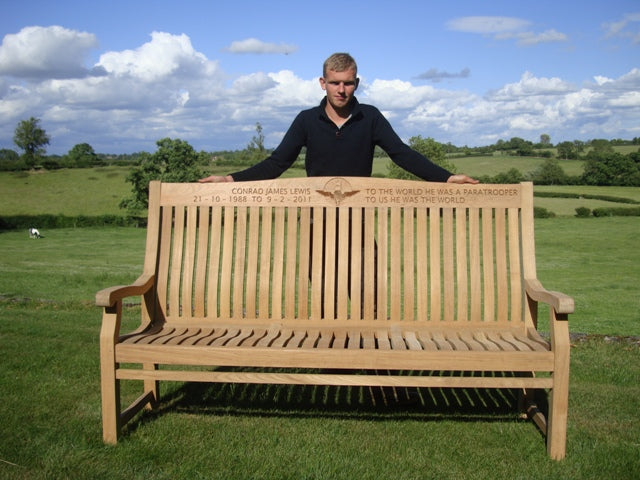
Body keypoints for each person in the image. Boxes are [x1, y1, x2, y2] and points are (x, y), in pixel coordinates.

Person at [200, 52, 478, 185]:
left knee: (367, 290)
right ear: (323, 83)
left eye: (347, 83)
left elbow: (401, 154)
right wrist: (230, 178)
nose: (341, 90)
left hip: (359, 215)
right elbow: (277, 163)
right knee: (321, 292)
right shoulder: (306, 120)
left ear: (356, 82)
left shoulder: (370, 117)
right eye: (334, 83)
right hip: (315, 214)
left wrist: (447, 177)